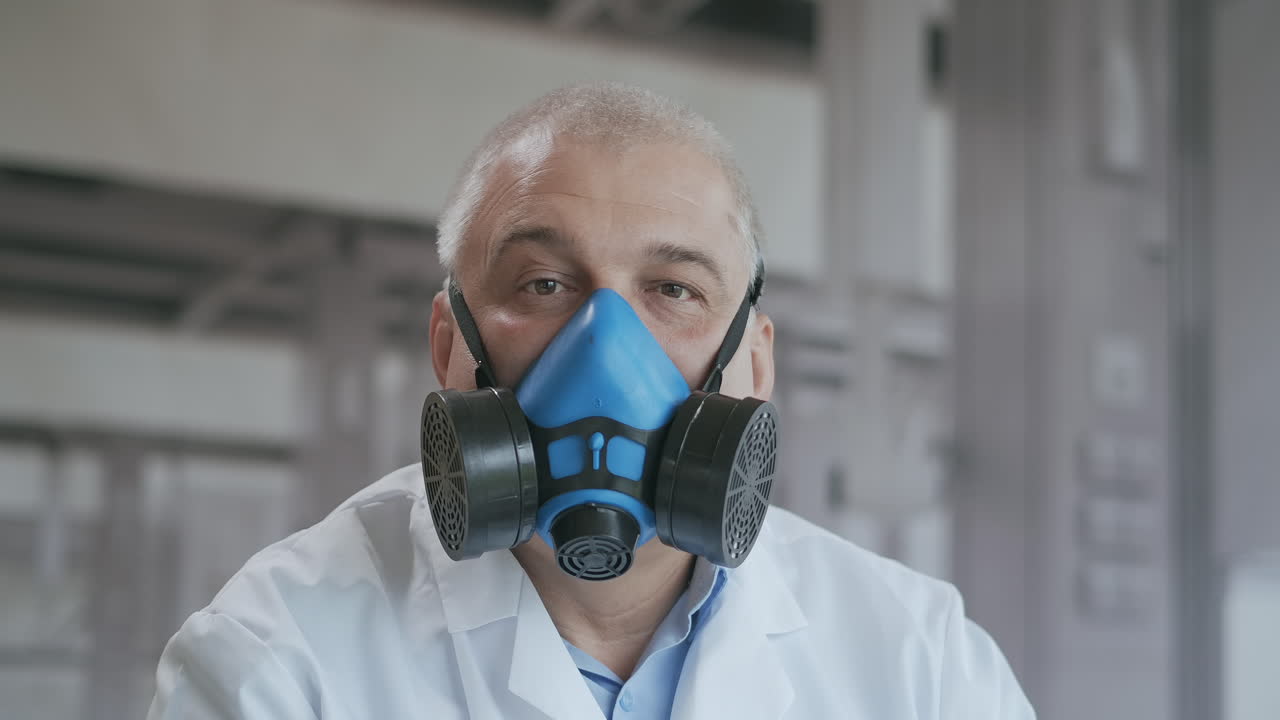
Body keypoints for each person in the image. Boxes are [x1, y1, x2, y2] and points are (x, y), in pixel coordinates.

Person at [148, 83, 1034, 720]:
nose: (607, 349)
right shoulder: (278, 660)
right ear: (450, 344)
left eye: (674, 290)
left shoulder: (921, 662)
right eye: (542, 282)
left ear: (754, 364)